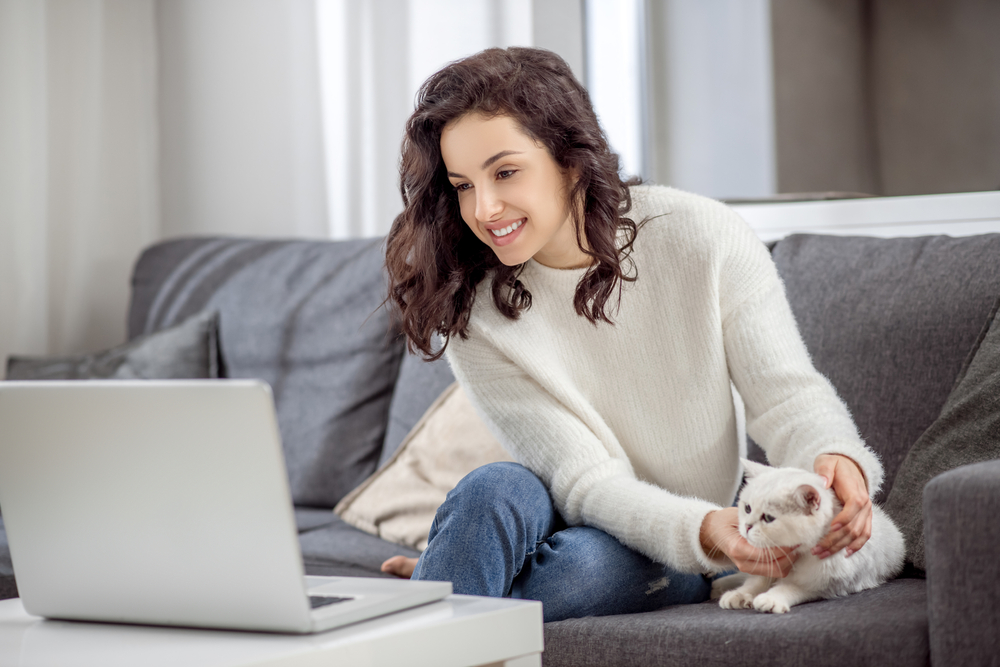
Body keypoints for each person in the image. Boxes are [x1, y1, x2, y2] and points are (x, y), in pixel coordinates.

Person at [380, 47, 879, 622]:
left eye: (506, 172)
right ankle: (441, 593)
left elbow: (787, 395)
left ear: (570, 159)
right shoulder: (476, 311)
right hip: (578, 502)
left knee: (581, 571)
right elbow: (584, 479)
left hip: (680, 531)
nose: (484, 207)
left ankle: (437, 590)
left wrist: (834, 456)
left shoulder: (701, 236)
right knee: (490, 490)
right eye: (462, 185)